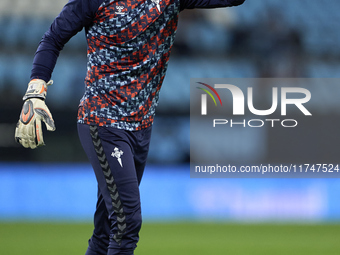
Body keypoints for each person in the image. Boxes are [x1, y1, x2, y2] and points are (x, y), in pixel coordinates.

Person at [15, 0, 246, 254]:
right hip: (103, 120)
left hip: (141, 126)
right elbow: (53, 38)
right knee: (127, 224)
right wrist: (35, 91)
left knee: (105, 233)